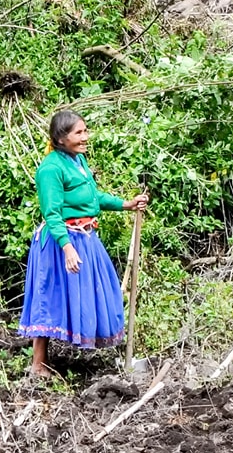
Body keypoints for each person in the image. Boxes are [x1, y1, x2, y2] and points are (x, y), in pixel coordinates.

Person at [19, 110, 148, 378]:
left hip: (85, 237)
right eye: (79, 133)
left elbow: (92, 197)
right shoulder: (50, 169)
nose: (85, 137)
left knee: (96, 293)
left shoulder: (78, 161)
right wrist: (67, 248)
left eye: (85, 131)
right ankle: (38, 365)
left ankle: (62, 359)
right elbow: (52, 213)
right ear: (60, 138)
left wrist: (126, 204)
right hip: (59, 243)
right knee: (50, 297)